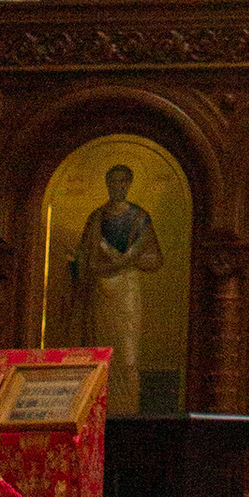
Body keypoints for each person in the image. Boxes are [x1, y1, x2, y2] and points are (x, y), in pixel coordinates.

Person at [67, 162, 164, 415]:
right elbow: (84, 254)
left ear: (129, 185)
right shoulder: (96, 217)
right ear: (107, 185)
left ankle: (128, 405)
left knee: (127, 345)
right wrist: (77, 263)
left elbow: (153, 257)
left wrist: (118, 256)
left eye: (122, 182)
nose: (118, 186)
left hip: (127, 289)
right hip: (100, 289)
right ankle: (99, 403)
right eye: (113, 182)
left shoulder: (140, 218)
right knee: (101, 343)